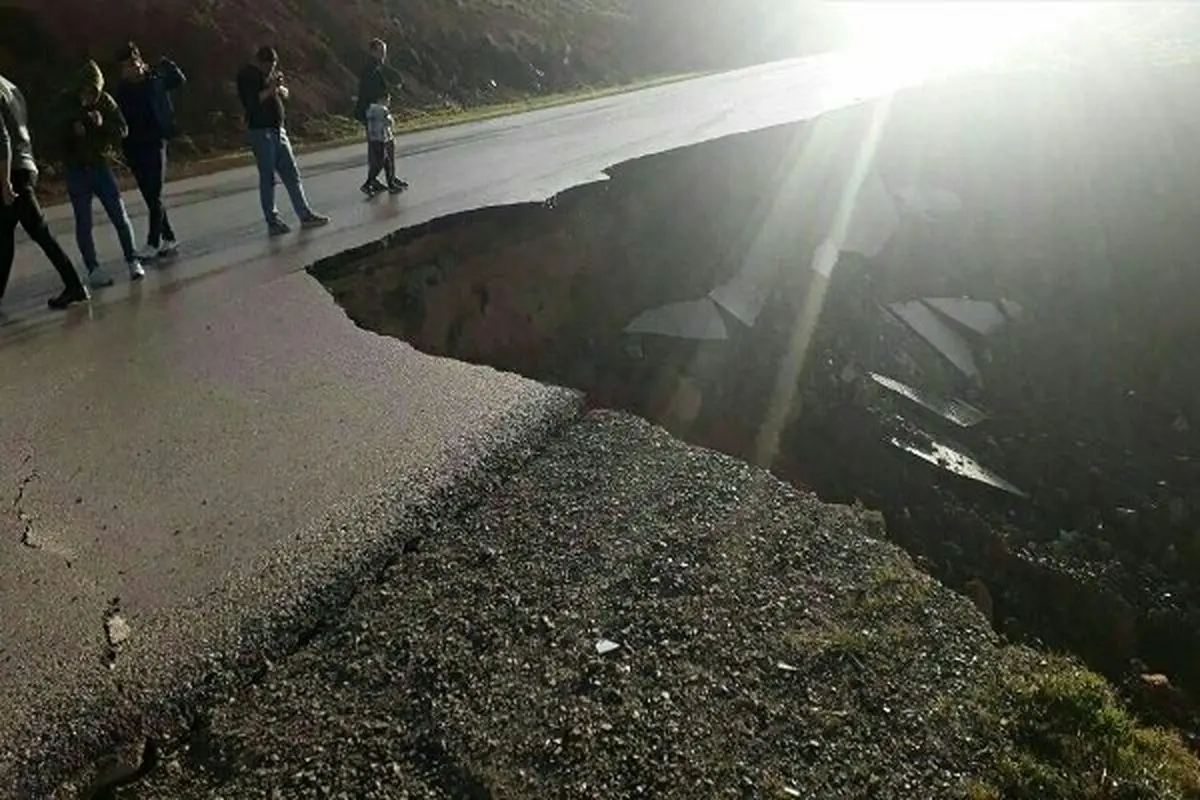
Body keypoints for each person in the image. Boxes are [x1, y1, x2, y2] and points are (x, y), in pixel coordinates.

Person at [0, 73, 89, 310]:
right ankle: (73, 285)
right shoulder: (11, 86)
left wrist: (5, 183)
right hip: (24, 165)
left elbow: (3, 140)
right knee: (5, 234)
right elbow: (21, 127)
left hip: (12, 171)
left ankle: (74, 285)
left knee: (39, 232)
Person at [57, 60, 144, 287]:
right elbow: (50, 134)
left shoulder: (105, 102)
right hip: (77, 170)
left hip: (99, 166)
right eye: (85, 91)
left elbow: (122, 129)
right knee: (83, 222)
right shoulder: (65, 102)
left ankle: (132, 259)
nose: (89, 96)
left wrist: (102, 124)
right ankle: (93, 268)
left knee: (119, 214)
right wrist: (70, 130)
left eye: (93, 91)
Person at [236, 46, 329, 237]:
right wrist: (270, 89)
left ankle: (304, 214)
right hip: (261, 132)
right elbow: (251, 102)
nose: (271, 70)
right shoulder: (247, 76)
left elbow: (283, 94)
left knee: (292, 174)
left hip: (278, 130)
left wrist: (279, 88)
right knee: (268, 178)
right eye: (269, 67)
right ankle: (273, 220)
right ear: (261, 62)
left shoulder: (268, 76)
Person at [114, 41, 185, 260]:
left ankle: (153, 242)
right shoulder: (121, 90)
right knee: (149, 196)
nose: (133, 69)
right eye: (128, 67)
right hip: (133, 146)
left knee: (154, 194)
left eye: (135, 64)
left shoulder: (155, 81)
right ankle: (169, 237)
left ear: (142, 63)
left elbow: (179, 79)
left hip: (155, 142)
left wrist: (165, 62)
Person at [354, 38, 407, 193]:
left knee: (385, 146)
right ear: (373, 51)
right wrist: (385, 94)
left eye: (384, 52)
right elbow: (369, 91)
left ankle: (387, 178)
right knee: (381, 148)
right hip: (373, 113)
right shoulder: (370, 68)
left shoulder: (377, 67)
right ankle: (378, 181)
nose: (383, 55)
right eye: (380, 52)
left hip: (379, 111)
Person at [361, 94, 404, 196]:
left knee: (386, 163)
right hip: (381, 138)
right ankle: (367, 184)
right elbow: (389, 123)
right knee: (380, 163)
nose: (389, 103)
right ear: (383, 100)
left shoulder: (370, 109)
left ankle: (391, 185)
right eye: (388, 100)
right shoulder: (382, 110)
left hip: (374, 138)